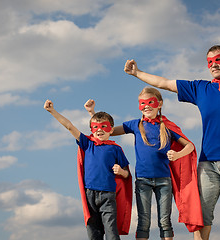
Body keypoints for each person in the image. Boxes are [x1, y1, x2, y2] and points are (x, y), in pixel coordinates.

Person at [123, 45, 220, 240]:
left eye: (219, 60)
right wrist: (137, 73)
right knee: (201, 217)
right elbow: (164, 83)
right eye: (210, 61)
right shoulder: (200, 88)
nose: (213, 64)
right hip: (208, 164)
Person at [84, 87, 203, 240]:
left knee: (164, 221)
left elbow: (190, 146)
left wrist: (178, 154)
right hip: (143, 181)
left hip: (164, 181)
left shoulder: (167, 126)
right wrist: (91, 113)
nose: (146, 106)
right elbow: (107, 130)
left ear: (159, 104)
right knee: (143, 221)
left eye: (150, 102)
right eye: (142, 103)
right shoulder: (135, 124)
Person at [44, 99, 132, 240]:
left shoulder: (115, 149)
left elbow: (127, 175)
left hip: (108, 195)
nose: (100, 130)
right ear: (91, 129)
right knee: (93, 233)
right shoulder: (87, 144)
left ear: (111, 129)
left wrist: (121, 172)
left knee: (111, 233)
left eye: (104, 126)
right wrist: (52, 111)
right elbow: (70, 126)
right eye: (96, 127)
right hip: (90, 194)